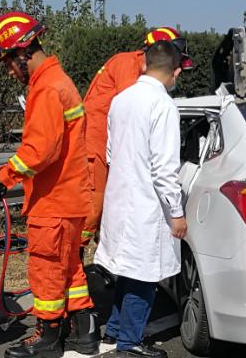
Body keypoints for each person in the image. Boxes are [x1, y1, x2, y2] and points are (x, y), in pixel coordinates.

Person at [0, 11, 100, 358]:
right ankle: (85, 329)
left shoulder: (48, 87)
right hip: (71, 197)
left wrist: (4, 178)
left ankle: (47, 336)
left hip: (54, 200)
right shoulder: (57, 81)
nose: (9, 71)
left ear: (23, 51)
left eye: (8, 61)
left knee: (46, 266)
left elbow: (40, 150)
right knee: (70, 268)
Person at [94, 40, 188, 358]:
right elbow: (164, 168)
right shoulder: (163, 106)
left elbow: (109, 153)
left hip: (120, 198)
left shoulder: (120, 100)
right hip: (147, 203)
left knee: (128, 270)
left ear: (144, 65)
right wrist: (176, 213)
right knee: (146, 275)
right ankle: (131, 339)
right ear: (175, 72)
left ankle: (116, 330)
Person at [81, 27, 193, 250]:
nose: (176, 71)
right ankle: (74, 261)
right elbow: (135, 114)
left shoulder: (134, 69)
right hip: (96, 149)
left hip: (107, 148)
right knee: (91, 214)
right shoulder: (128, 65)